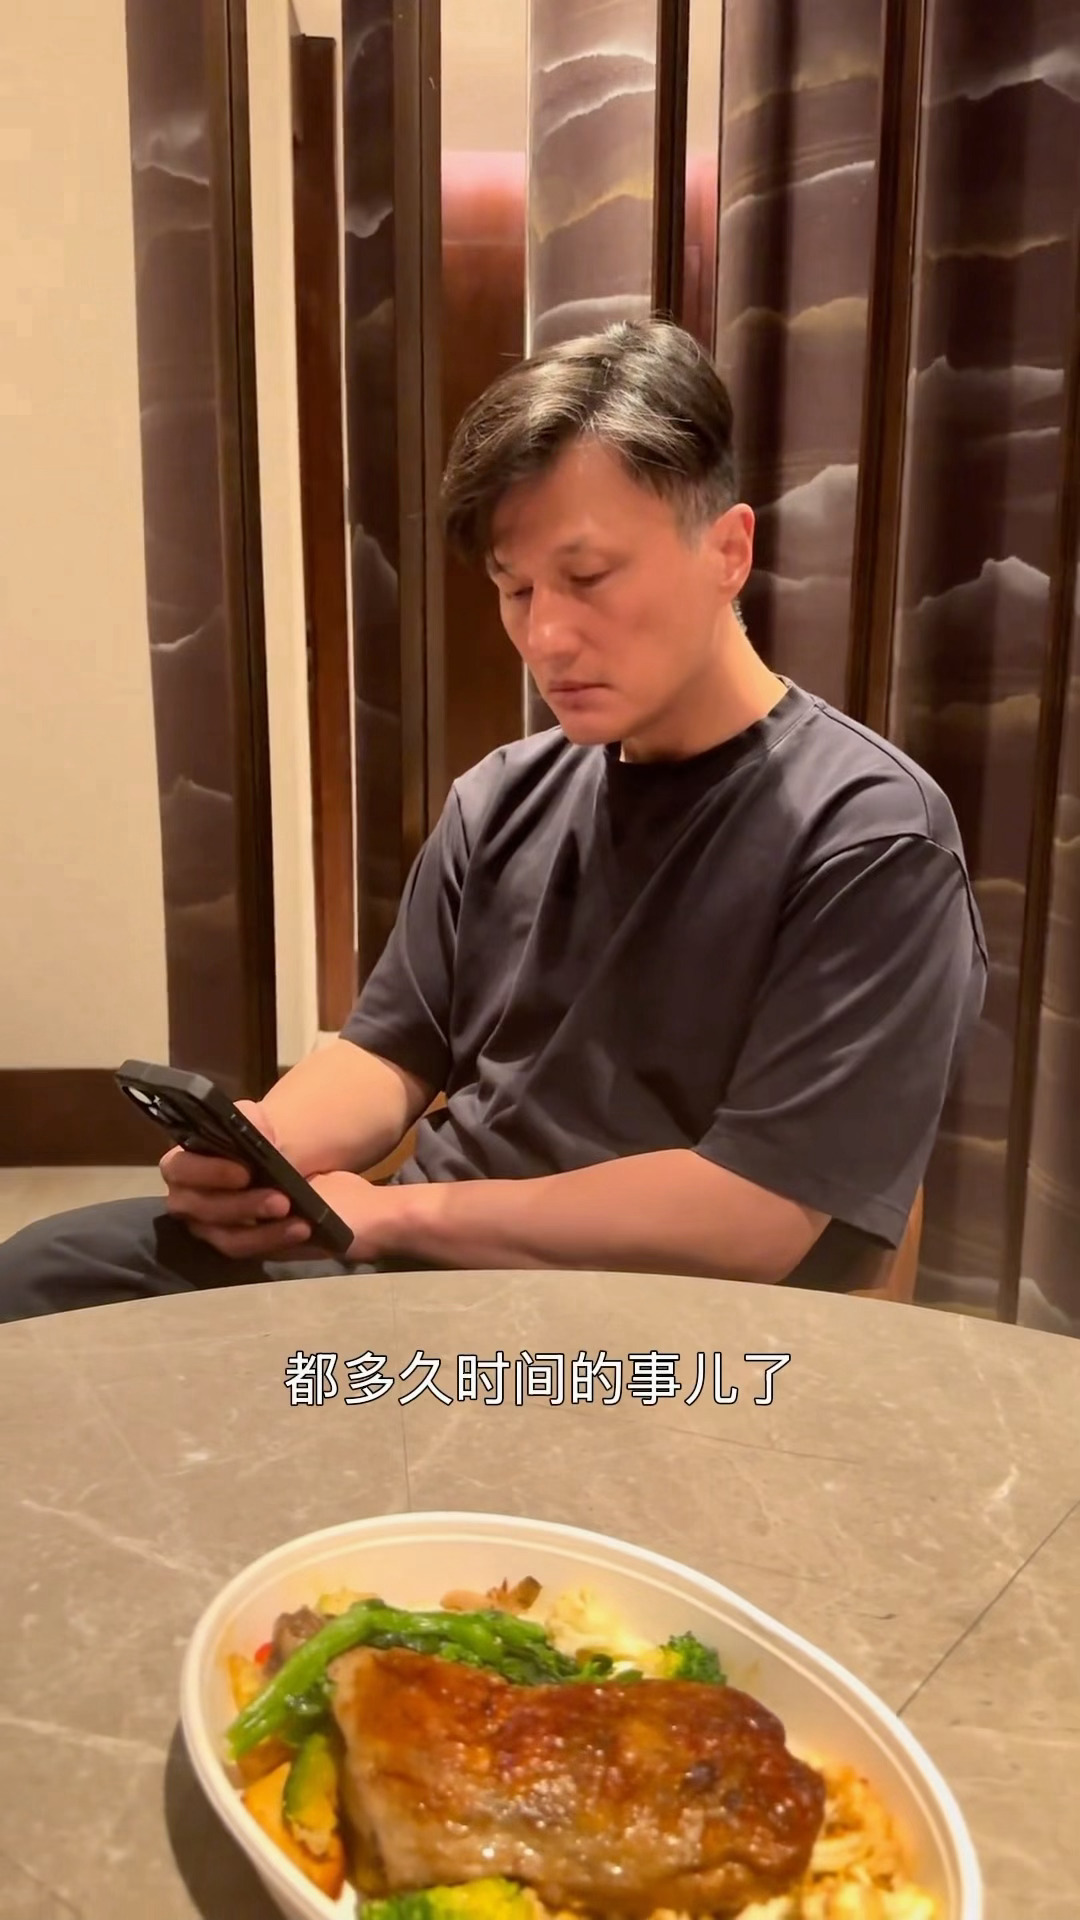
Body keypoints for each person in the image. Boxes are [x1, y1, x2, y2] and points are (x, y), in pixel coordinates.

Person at [0, 319, 987, 1320]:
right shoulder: (504, 795)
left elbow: (756, 1218)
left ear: (727, 550)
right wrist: (266, 1152)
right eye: (515, 590)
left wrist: (394, 1218)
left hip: (647, 1334)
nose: (546, 635)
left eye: (589, 578)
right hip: (416, 1277)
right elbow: (387, 1053)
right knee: (47, 1277)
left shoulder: (869, 836)